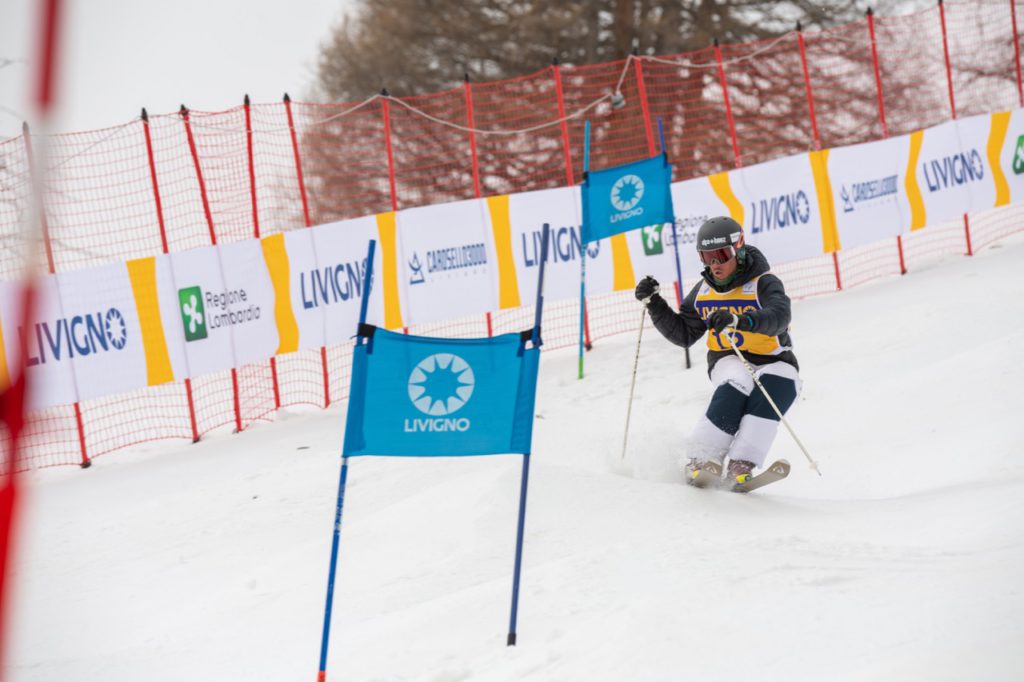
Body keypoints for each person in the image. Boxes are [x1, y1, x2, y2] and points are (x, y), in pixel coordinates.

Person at [633, 216, 800, 486]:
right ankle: (700, 458)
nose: (715, 265)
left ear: (739, 247)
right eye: (706, 257)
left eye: (721, 255)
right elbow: (684, 334)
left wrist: (741, 321)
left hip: (774, 358)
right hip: (728, 357)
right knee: (739, 382)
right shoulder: (703, 291)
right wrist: (654, 304)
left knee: (780, 386)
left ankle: (741, 463)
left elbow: (779, 316)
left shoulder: (764, 282)